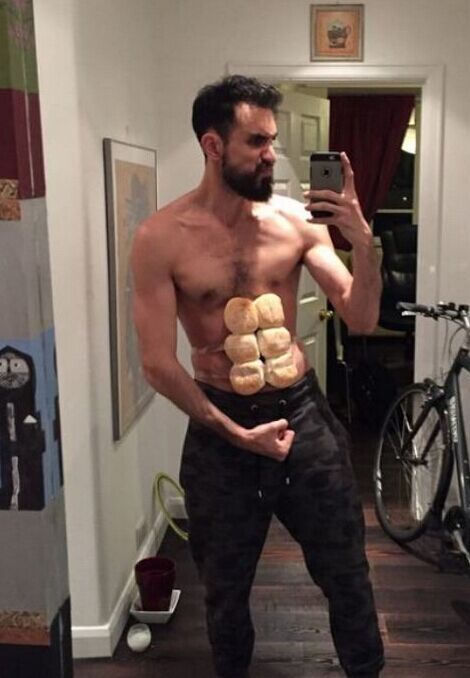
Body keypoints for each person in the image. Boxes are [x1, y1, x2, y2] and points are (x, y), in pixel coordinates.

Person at [131, 75, 384, 678]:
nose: (272, 154)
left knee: (347, 571)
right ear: (213, 145)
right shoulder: (160, 238)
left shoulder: (296, 222)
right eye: (257, 141)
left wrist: (364, 243)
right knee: (223, 589)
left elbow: (362, 317)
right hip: (222, 429)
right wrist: (235, 434)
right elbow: (158, 363)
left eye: (272, 139)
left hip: (302, 416)